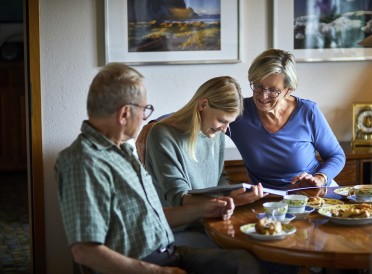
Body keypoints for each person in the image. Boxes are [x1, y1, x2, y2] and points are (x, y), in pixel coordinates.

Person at [55, 63, 263, 274]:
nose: (145, 118)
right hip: (143, 263)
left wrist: (206, 208)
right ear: (125, 113)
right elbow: (84, 252)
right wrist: (158, 272)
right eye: (144, 110)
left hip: (166, 252)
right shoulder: (83, 161)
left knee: (244, 263)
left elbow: (151, 218)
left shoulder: (122, 153)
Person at [144, 76, 266, 248]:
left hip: (213, 222)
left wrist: (232, 197)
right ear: (203, 105)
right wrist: (228, 201)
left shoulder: (216, 134)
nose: (225, 129)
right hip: (179, 230)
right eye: (222, 120)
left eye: (229, 123)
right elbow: (179, 198)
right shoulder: (162, 134)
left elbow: (220, 180)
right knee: (245, 258)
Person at [228, 48, 346, 196]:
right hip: (269, 203)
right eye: (258, 86)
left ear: (288, 90)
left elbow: (336, 155)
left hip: (315, 195)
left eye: (273, 90)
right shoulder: (237, 114)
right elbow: (202, 121)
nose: (263, 96)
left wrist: (320, 178)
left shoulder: (308, 111)